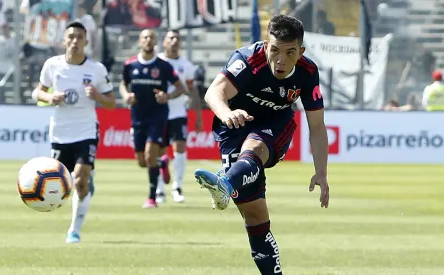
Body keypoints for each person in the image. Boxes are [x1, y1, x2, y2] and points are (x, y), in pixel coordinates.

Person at [193, 15, 330, 275]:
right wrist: (226, 114)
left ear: (300, 52)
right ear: (266, 45)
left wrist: (321, 172)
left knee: (254, 148)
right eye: (275, 50)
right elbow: (214, 92)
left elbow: (317, 126)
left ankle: (225, 183)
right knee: (255, 216)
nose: (281, 59)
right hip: (233, 124)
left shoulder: (307, 72)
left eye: (290, 52)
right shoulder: (247, 59)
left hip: (276, 123)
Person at [32, 22, 116, 243]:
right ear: (64, 40)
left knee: (80, 180)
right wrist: (50, 98)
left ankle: (74, 230)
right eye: (71, 36)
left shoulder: (97, 69)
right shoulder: (52, 65)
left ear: (86, 42)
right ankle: (87, 183)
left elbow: (111, 102)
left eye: (80, 37)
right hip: (60, 133)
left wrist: (98, 96)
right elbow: (37, 92)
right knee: (63, 184)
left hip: (86, 130)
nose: (75, 41)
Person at [119, 29, 186, 209]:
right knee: (143, 161)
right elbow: (123, 84)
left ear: (155, 42)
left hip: (158, 116)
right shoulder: (130, 64)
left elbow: (181, 88)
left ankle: (151, 198)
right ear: (139, 42)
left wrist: (167, 96)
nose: (148, 40)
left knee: (150, 154)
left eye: (151, 38)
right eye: (145, 38)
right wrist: (126, 96)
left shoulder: (163, 66)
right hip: (137, 117)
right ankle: (161, 163)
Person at [155, 29, 203, 204]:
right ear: (165, 42)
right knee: (159, 151)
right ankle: (159, 190)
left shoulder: (186, 65)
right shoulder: (157, 61)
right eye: (170, 38)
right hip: (158, 113)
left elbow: (192, 90)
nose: (174, 41)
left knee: (180, 148)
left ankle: (177, 186)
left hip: (178, 113)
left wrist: (198, 115)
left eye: (177, 38)